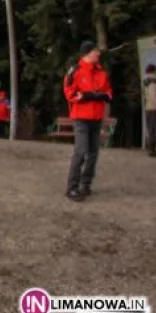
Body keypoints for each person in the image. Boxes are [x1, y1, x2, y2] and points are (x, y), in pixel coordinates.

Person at [62, 41, 112, 201]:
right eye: (96, 51)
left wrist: (100, 96)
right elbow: (69, 93)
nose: (99, 53)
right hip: (81, 118)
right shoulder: (75, 71)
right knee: (81, 151)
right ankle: (72, 188)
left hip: (96, 118)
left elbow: (109, 92)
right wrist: (89, 96)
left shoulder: (102, 71)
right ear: (88, 53)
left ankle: (86, 184)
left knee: (93, 153)